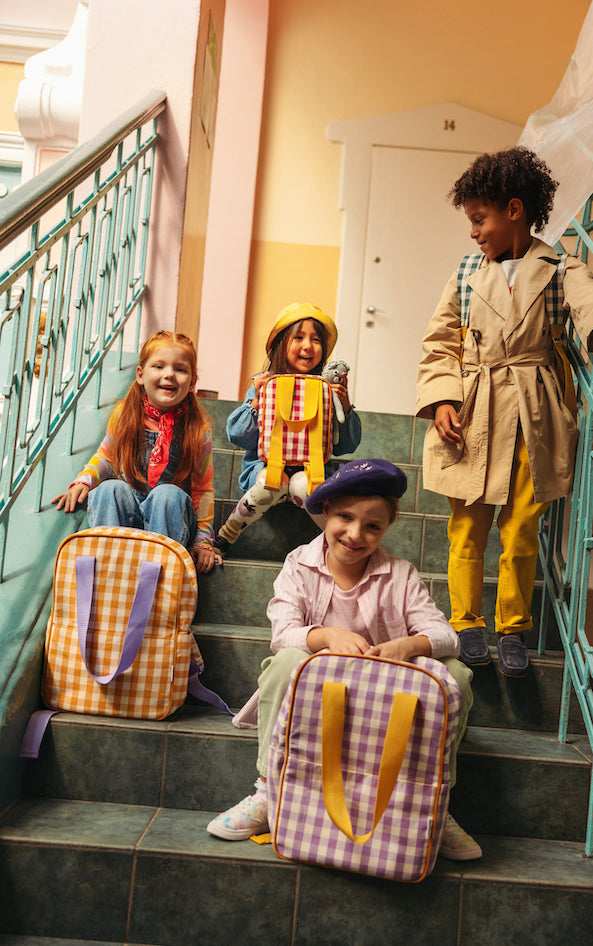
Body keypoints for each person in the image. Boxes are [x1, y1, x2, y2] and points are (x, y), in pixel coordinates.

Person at [416, 146, 593, 677]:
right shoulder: (464, 274)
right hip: (473, 410)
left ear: (515, 210)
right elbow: (439, 342)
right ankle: (467, 621)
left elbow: (589, 298)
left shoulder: (559, 266)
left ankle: (513, 627)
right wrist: (442, 399)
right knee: (468, 525)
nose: (474, 232)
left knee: (522, 526)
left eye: (480, 219)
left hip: (533, 411)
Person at [207, 458, 481, 862]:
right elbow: (282, 635)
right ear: (325, 513)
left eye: (373, 526)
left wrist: (406, 646)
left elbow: (447, 637)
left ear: (386, 528)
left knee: (455, 674)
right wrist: (326, 636)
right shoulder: (298, 565)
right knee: (284, 662)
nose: (355, 535)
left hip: (386, 706)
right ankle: (269, 789)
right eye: (345, 518)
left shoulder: (400, 573)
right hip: (318, 703)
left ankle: (434, 800)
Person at [52, 330, 221, 573]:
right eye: (159, 366)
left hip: (168, 519)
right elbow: (106, 457)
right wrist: (84, 481)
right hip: (129, 512)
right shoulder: (125, 415)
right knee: (110, 489)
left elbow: (203, 489)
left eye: (180, 369)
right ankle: (108, 571)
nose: (169, 374)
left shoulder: (197, 429)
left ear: (193, 382)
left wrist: (203, 541)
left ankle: (160, 577)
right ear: (141, 375)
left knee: (167, 495)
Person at [216, 302, 362, 553]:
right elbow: (237, 435)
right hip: (264, 471)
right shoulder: (265, 385)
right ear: (280, 345)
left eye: (316, 340)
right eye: (299, 337)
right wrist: (256, 400)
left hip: (311, 472)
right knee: (272, 482)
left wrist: (344, 406)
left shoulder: (326, 390)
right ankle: (224, 536)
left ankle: (341, 546)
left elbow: (346, 445)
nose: (308, 346)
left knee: (303, 486)